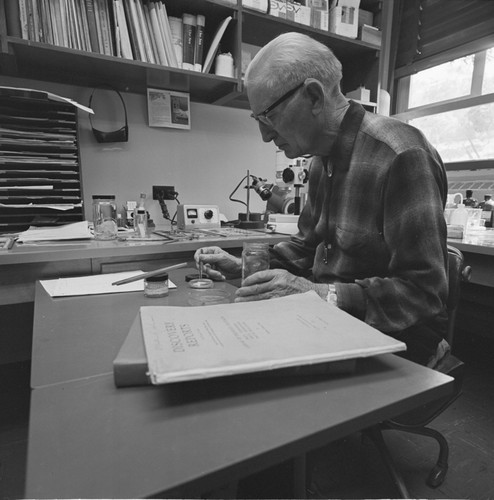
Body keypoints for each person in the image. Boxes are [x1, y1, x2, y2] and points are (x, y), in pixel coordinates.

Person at [195, 32, 449, 368]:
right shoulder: (319, 162)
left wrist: (320, 294)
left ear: (314, 96)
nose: (264, 135)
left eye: (268, 116)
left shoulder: (399, 154)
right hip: (326, 326)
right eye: (258, 120)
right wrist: (243, 266)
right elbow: (304, 250)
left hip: (394, 344)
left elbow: (425, 293)